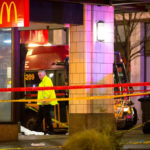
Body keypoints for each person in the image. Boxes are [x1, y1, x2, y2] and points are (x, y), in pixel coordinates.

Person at [34, 70, 58, 134]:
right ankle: (36, 129)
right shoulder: (42, 82)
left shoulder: (47, 80)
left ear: (44, 74)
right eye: (38, 75)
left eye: (40, 75)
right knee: (41, 117)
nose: (39, 76)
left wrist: (44, 101)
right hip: (43, 103)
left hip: (46, 103)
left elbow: (47, 91)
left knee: (45, 117)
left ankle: (50, 130)